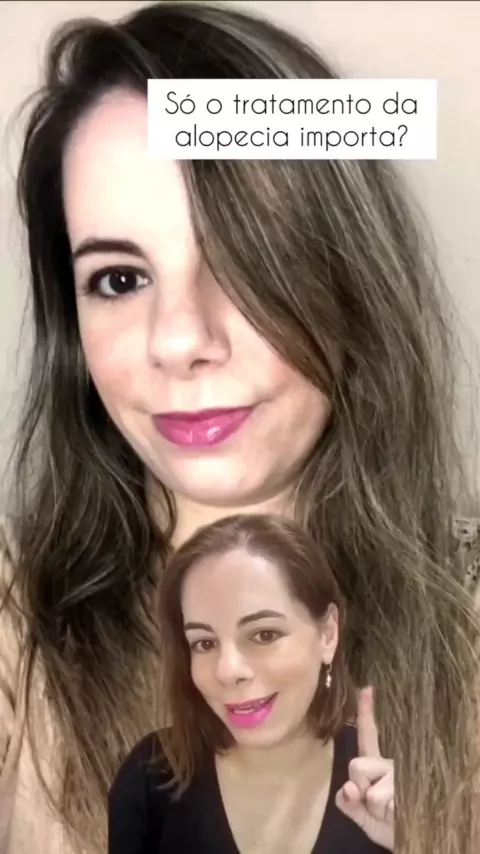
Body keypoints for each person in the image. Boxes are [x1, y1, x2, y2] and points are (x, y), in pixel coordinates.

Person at [0, 2, 479, 854]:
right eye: (118, 280)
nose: (180, 340)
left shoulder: (465, 630)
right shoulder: (16, 629)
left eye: (243, 259)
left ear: (353, 286)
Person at [108, 513, 393, 854]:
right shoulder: (152, 776)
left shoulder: (390, 780)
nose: (227, 670)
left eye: (264, 635)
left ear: (327, 634)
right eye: (204, 643)